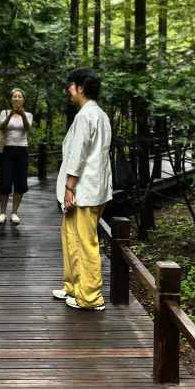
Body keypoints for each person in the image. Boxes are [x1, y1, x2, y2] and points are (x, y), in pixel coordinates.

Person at [52, 68, 112, 311]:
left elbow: (78, 154)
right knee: (70, 236)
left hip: (83, 190)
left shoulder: (86, 116)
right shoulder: (99, 114)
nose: (69, 89)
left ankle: (90, 297)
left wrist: (69, 187)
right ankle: (73, 286)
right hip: (92, 188)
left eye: (71, 85)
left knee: (85, 242)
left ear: (81, 88)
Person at [0, 88, 33, 225]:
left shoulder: (28, 114)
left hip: (22, 150)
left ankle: (14, 213)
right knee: (5, 181)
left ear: (23, 100)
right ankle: (2, 213)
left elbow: (28, 129)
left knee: (20, 182)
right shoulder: (4, 113)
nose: (17, 98)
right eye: (14, 96)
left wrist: (22, 115)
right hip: (7, 150)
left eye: (19, 96)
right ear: (11, 99)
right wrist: (11, 114)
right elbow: (1, 127)